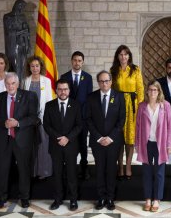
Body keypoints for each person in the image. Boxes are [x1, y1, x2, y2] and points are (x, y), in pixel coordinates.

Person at [0, 72, 39, 209]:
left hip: (22, 139)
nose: (10, 86)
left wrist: (17, 123)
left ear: (18, 84)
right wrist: (3, 123)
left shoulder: (29, 96)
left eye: (13, 83)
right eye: (7, 83)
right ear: (4, 84)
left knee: (23, 169)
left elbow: (34, 118)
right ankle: (1, 197)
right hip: (3, 139)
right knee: (2, 169)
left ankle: (24, 197)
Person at [86, 70, 125, 211]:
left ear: (111, 81)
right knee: (100, 169)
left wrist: (110, 138)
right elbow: (88, 119)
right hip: (98, 141)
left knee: (111, 169)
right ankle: (101, 197)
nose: (104, 83)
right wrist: (99, 137)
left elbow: (121, 120)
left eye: (107, 81)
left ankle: (110, 198)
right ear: (98, 83)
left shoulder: (119, 96)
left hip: (113, 141)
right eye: (101, 81)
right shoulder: (91, 97)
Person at [43, 79, 83, 211]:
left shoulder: (76, 105)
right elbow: (47, 125)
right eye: (60, 89)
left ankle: (73, 200)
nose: (63, 92)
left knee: (72, 174)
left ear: (69, 91)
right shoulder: (49, 105)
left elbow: (79, 125)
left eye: (65, 89)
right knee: (57, 174)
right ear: (56, 91)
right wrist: (58, 138)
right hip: (56, 145)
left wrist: (68, 138)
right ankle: (58, 199)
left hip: (71, 145)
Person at [135, 80, 171, 212]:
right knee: (146, 172)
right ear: (147, 91)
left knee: (159, 173)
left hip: (161, 144)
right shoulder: (142, 106)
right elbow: (138, 127)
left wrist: (170, 145)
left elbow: (170, 127)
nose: (152, 92)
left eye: (155, 90)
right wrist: (137, 143)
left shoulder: (166, 106)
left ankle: (156, 199)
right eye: (150, 90)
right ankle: (147, 198)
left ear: (159, 92)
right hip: (146, 143)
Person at [110, 45, 144, 180]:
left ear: (129, 56)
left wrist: (140, 108)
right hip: (118, 106)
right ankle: (120, 167)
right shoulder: (113, 70)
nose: (123, 57)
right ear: (117, 56)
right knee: (119, 138)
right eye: (121, 54)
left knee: (130, 139)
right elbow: (110, 90)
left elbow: (140, 89)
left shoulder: (135, 70)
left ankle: (128, 165)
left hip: (132, 106)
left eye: (126, 54)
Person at [61, 51, 93, 180]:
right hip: (68, 117)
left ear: (83, 62)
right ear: (71, 61)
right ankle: (69, 169)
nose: (77, 63)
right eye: (75, 60)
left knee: (82, 144)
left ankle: (84, 169)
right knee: (69, 144)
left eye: (79, 60)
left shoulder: (88, 77)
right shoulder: (64, 76)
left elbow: (89, 98)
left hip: (83, 117)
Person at [23, 56, 53, 179]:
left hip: (43, 118)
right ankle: (33, 171)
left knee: (44, 144)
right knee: (31, 145)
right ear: (29, 68)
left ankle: (44, 171)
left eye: (37, 66)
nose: (35, 68)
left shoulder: (46, 81)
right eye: (32, 66)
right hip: (29, 119)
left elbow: (49, 100)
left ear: (41, 67)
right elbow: (24, 101)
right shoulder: (26, 80)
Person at [3, 0, 31, 83]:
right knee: (14, 66)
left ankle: (21, 86)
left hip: (22, 45)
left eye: (23, 7)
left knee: (23, 67)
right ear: (17, 6)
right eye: (21, 7)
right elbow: (9, 32)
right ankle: (14, 85)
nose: (22, 9)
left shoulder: (23, 17)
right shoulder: (7, 17)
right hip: (13, 46)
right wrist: (21, 32)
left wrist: (28, 44)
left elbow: (27, 30)